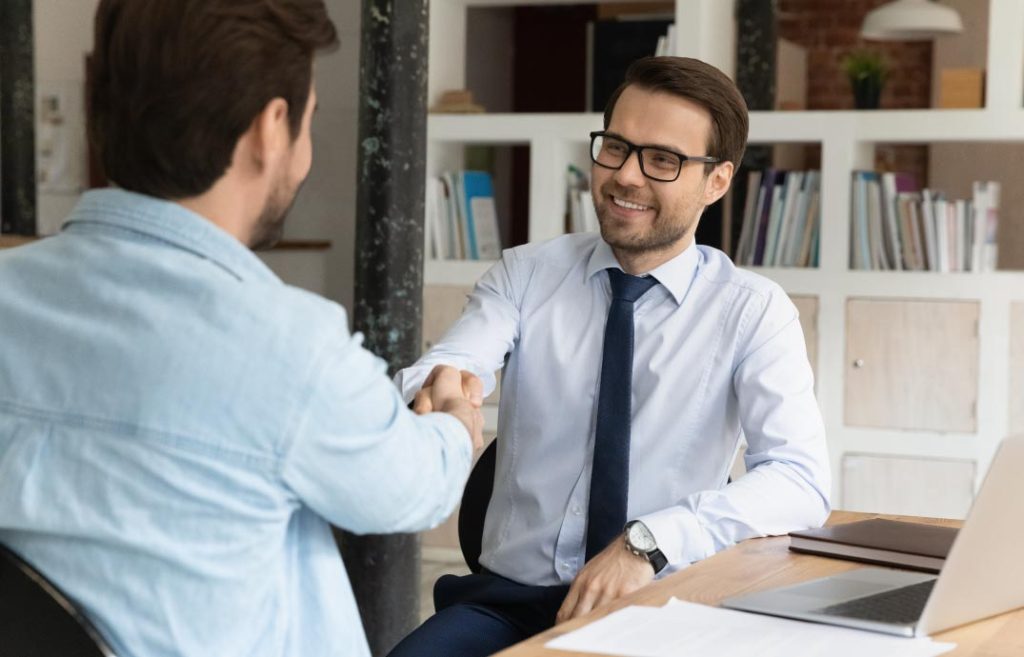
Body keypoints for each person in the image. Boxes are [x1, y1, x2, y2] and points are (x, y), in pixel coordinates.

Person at [0, 1, 482, 656]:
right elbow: (411, 489)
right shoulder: (292, 347)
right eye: (308, 122)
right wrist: (455, 421)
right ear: (271, 128)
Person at [388, 56, 832, 657]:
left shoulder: (752, 311)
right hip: (507, 604)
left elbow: (800, 479)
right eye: (616, 147)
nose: (626, 176)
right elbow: (456, 359)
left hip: (661, 609)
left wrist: (647, 542)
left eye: (662, 160)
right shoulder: (526, 273)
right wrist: (442, 387)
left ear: (718, 181)